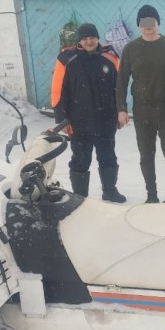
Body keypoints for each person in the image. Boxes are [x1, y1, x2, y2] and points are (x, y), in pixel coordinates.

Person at [51, 23, 126, 203]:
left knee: (108, 157)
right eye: (84, 38)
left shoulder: (110, 57)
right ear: (79, 40)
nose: (89, 41)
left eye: (92, 37)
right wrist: (62, 119)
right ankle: (79, 196)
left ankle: (109, 190)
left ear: (97, 38)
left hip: (105, 119)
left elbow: (120, 88)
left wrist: (121, 110)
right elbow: (57, 89)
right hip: (79, 121)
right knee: (80, 160)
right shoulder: (67, 59)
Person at [116, 5, 165, 203]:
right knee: (146, 154)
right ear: (139, 25)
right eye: (144, 23)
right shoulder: (131, 49)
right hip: (142, 108)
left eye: (151, 22)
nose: (148, 27)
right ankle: (151, 195)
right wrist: (121, 108)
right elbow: (121, 80)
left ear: (158, 23)